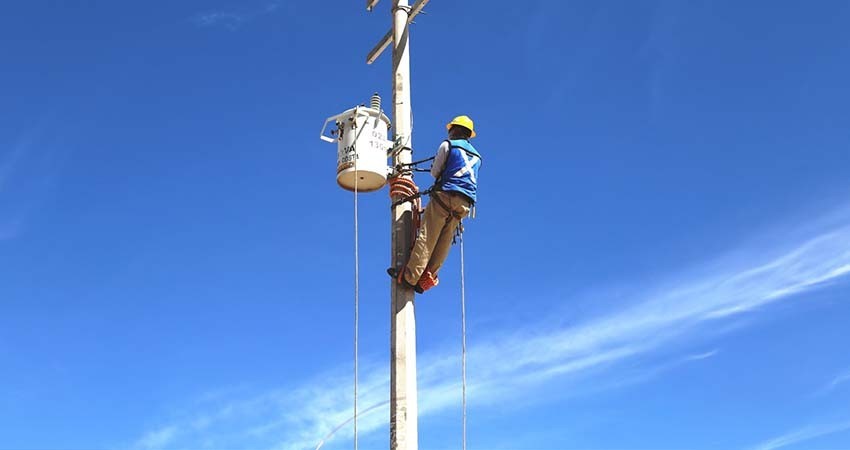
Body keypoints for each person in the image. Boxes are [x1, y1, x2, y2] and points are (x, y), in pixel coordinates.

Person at [388, 115, 482, 293]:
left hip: (445, 196)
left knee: (428, 236)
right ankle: (426, 279)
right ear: (469, 134)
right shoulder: (477, 156)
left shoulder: (448, 145)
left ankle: (410, 277)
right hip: (464, 204)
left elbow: (435, 171)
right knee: (444, 242)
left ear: (454, 130)